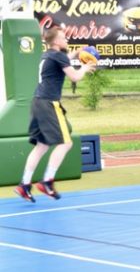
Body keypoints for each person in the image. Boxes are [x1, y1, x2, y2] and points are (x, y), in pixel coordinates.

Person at [14, 26, 96, 202]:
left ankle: (24, 185)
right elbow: (74, 76)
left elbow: (64, 58)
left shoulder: (48, 54)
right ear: (57, 41)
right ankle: (47, 181)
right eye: (64, 37)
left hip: (37, 102)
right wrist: (84, 67)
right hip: (49, 103)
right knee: (66, 143)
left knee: (41, 146)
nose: (66, 39)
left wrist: (76, 53)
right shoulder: (57, 56)